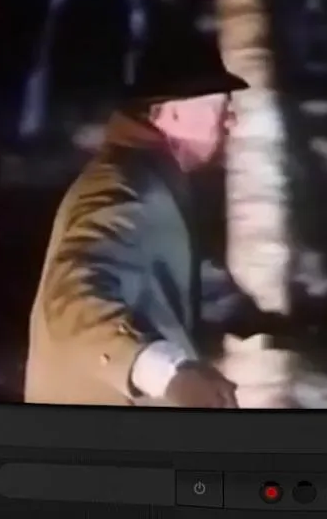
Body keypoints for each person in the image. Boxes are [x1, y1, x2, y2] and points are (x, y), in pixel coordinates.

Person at [24, 22, 266, 408]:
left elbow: (168, 264)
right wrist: (170, 374)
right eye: (219, 106)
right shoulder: (126, 187)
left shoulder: (154, 180)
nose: (231, 120)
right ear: (167, 114)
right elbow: (72, 298)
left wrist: (246, 314)